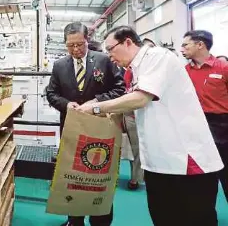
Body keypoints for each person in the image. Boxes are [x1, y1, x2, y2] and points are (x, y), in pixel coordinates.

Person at [78, 25, 223, 226]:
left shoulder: (158, 57)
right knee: (163, 216)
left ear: (127, 42)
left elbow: (141, 99)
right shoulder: (134, 70)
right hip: (157, 160)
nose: (109, 56)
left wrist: (96, 108)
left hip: (186, 159)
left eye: (111, 49)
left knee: (194, 217)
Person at [46, 22, 125, 226]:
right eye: (70, 46)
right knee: (72, 175)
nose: (76, 50)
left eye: (80, 44)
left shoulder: (104, 60)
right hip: (72, 128)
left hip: (101, 128)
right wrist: (66, 104)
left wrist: (97, 102)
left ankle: (101, 219)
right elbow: (51, 94)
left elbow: (119, 89)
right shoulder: (60, 65)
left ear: (87, 40)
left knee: (99, 173)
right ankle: (75, 220)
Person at [181, 30, 228, 201]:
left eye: (186, 45)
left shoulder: (223, 68)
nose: (181, 49)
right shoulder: (184, 71)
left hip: (222, 127)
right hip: (195, 127)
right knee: (202, 178)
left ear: (200, 44)